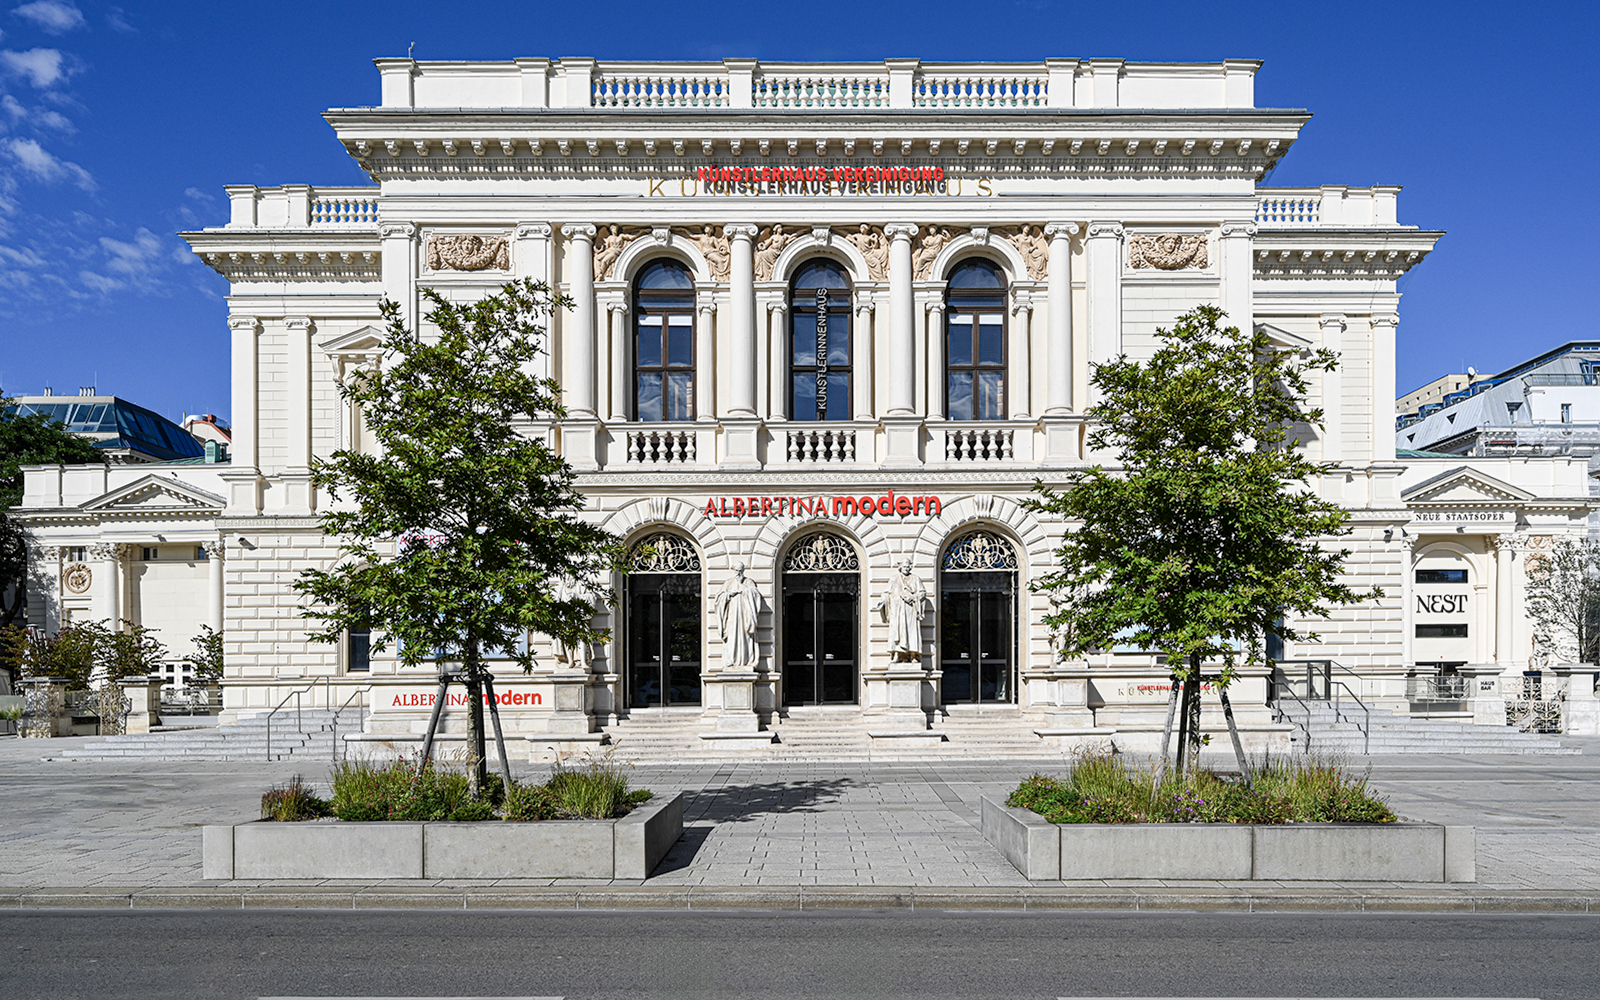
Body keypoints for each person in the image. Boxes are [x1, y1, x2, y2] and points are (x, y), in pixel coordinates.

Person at [875, 559, 929, 661]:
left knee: (912, 632)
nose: (906, 568)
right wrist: (883, 601)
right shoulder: (894, 579)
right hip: (897, 611)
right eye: (904, 567)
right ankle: (897, 654)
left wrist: (913, 598)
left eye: (908, 567)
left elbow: (922, 593)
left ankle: (913, 655)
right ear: (900, 568)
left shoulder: (916, 579)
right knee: (897, 633)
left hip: (911, 610)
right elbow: (887, 593)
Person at [716, 562, 761, 669]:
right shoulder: (728, 583)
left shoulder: (749, 582)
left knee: (746, 637)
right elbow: (719, 599)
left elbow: (756, 595)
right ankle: (731, 660)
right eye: (736, 570)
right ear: (733, 570)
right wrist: (728, 594)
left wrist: (744, 589)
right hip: (732, 616)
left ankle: (746, 660)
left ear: (743, 570)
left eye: (740, 570)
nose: (738, 573)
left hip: (745, 616)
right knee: (732, 638)